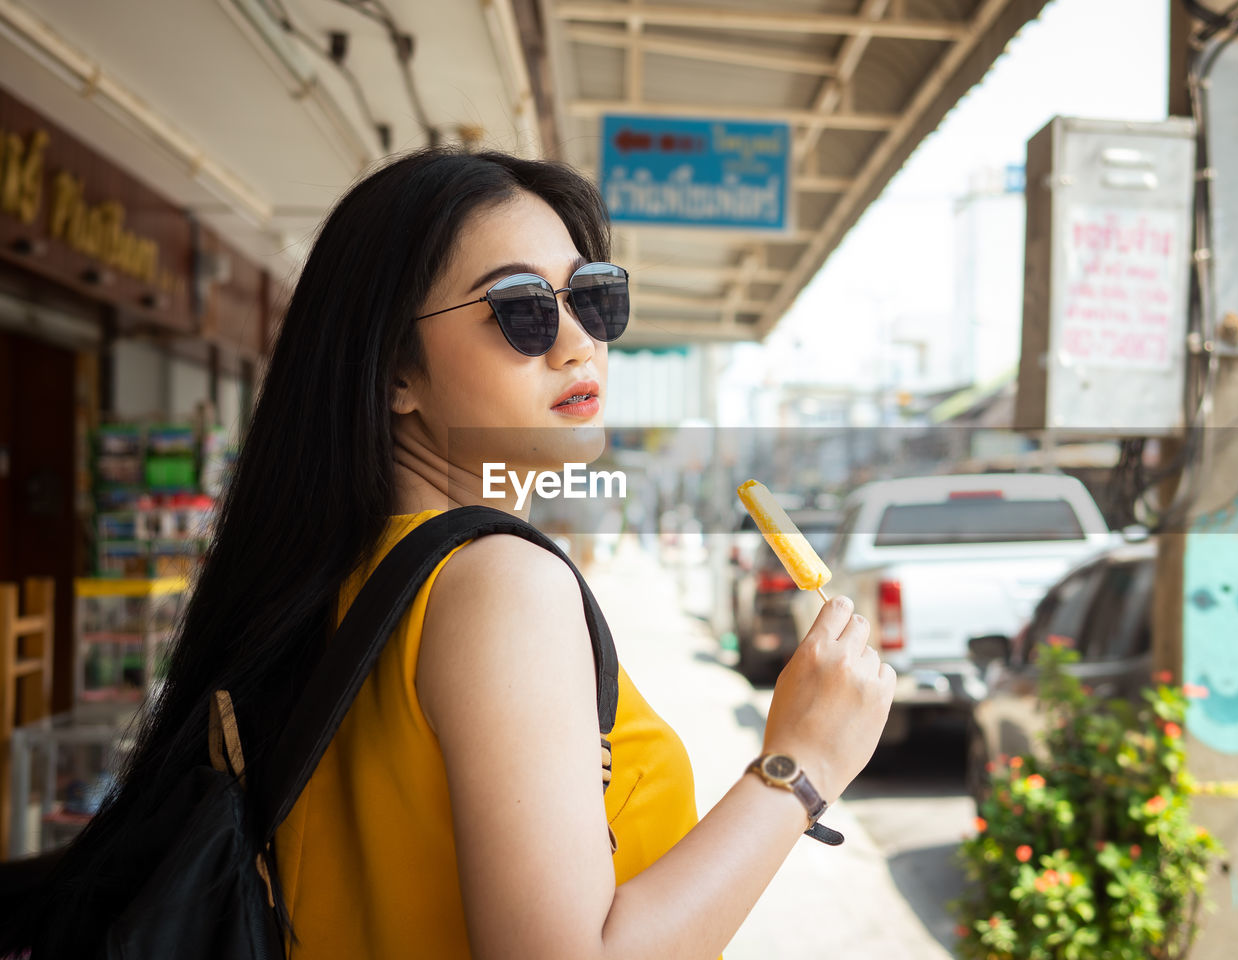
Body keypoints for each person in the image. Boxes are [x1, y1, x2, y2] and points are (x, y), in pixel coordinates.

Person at [0, 147, 895, 959]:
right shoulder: (501, 585)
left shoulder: (333, 579)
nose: (580, 341)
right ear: (395, 372)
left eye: (592, 296)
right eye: (519, 310)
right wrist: (801, 765)